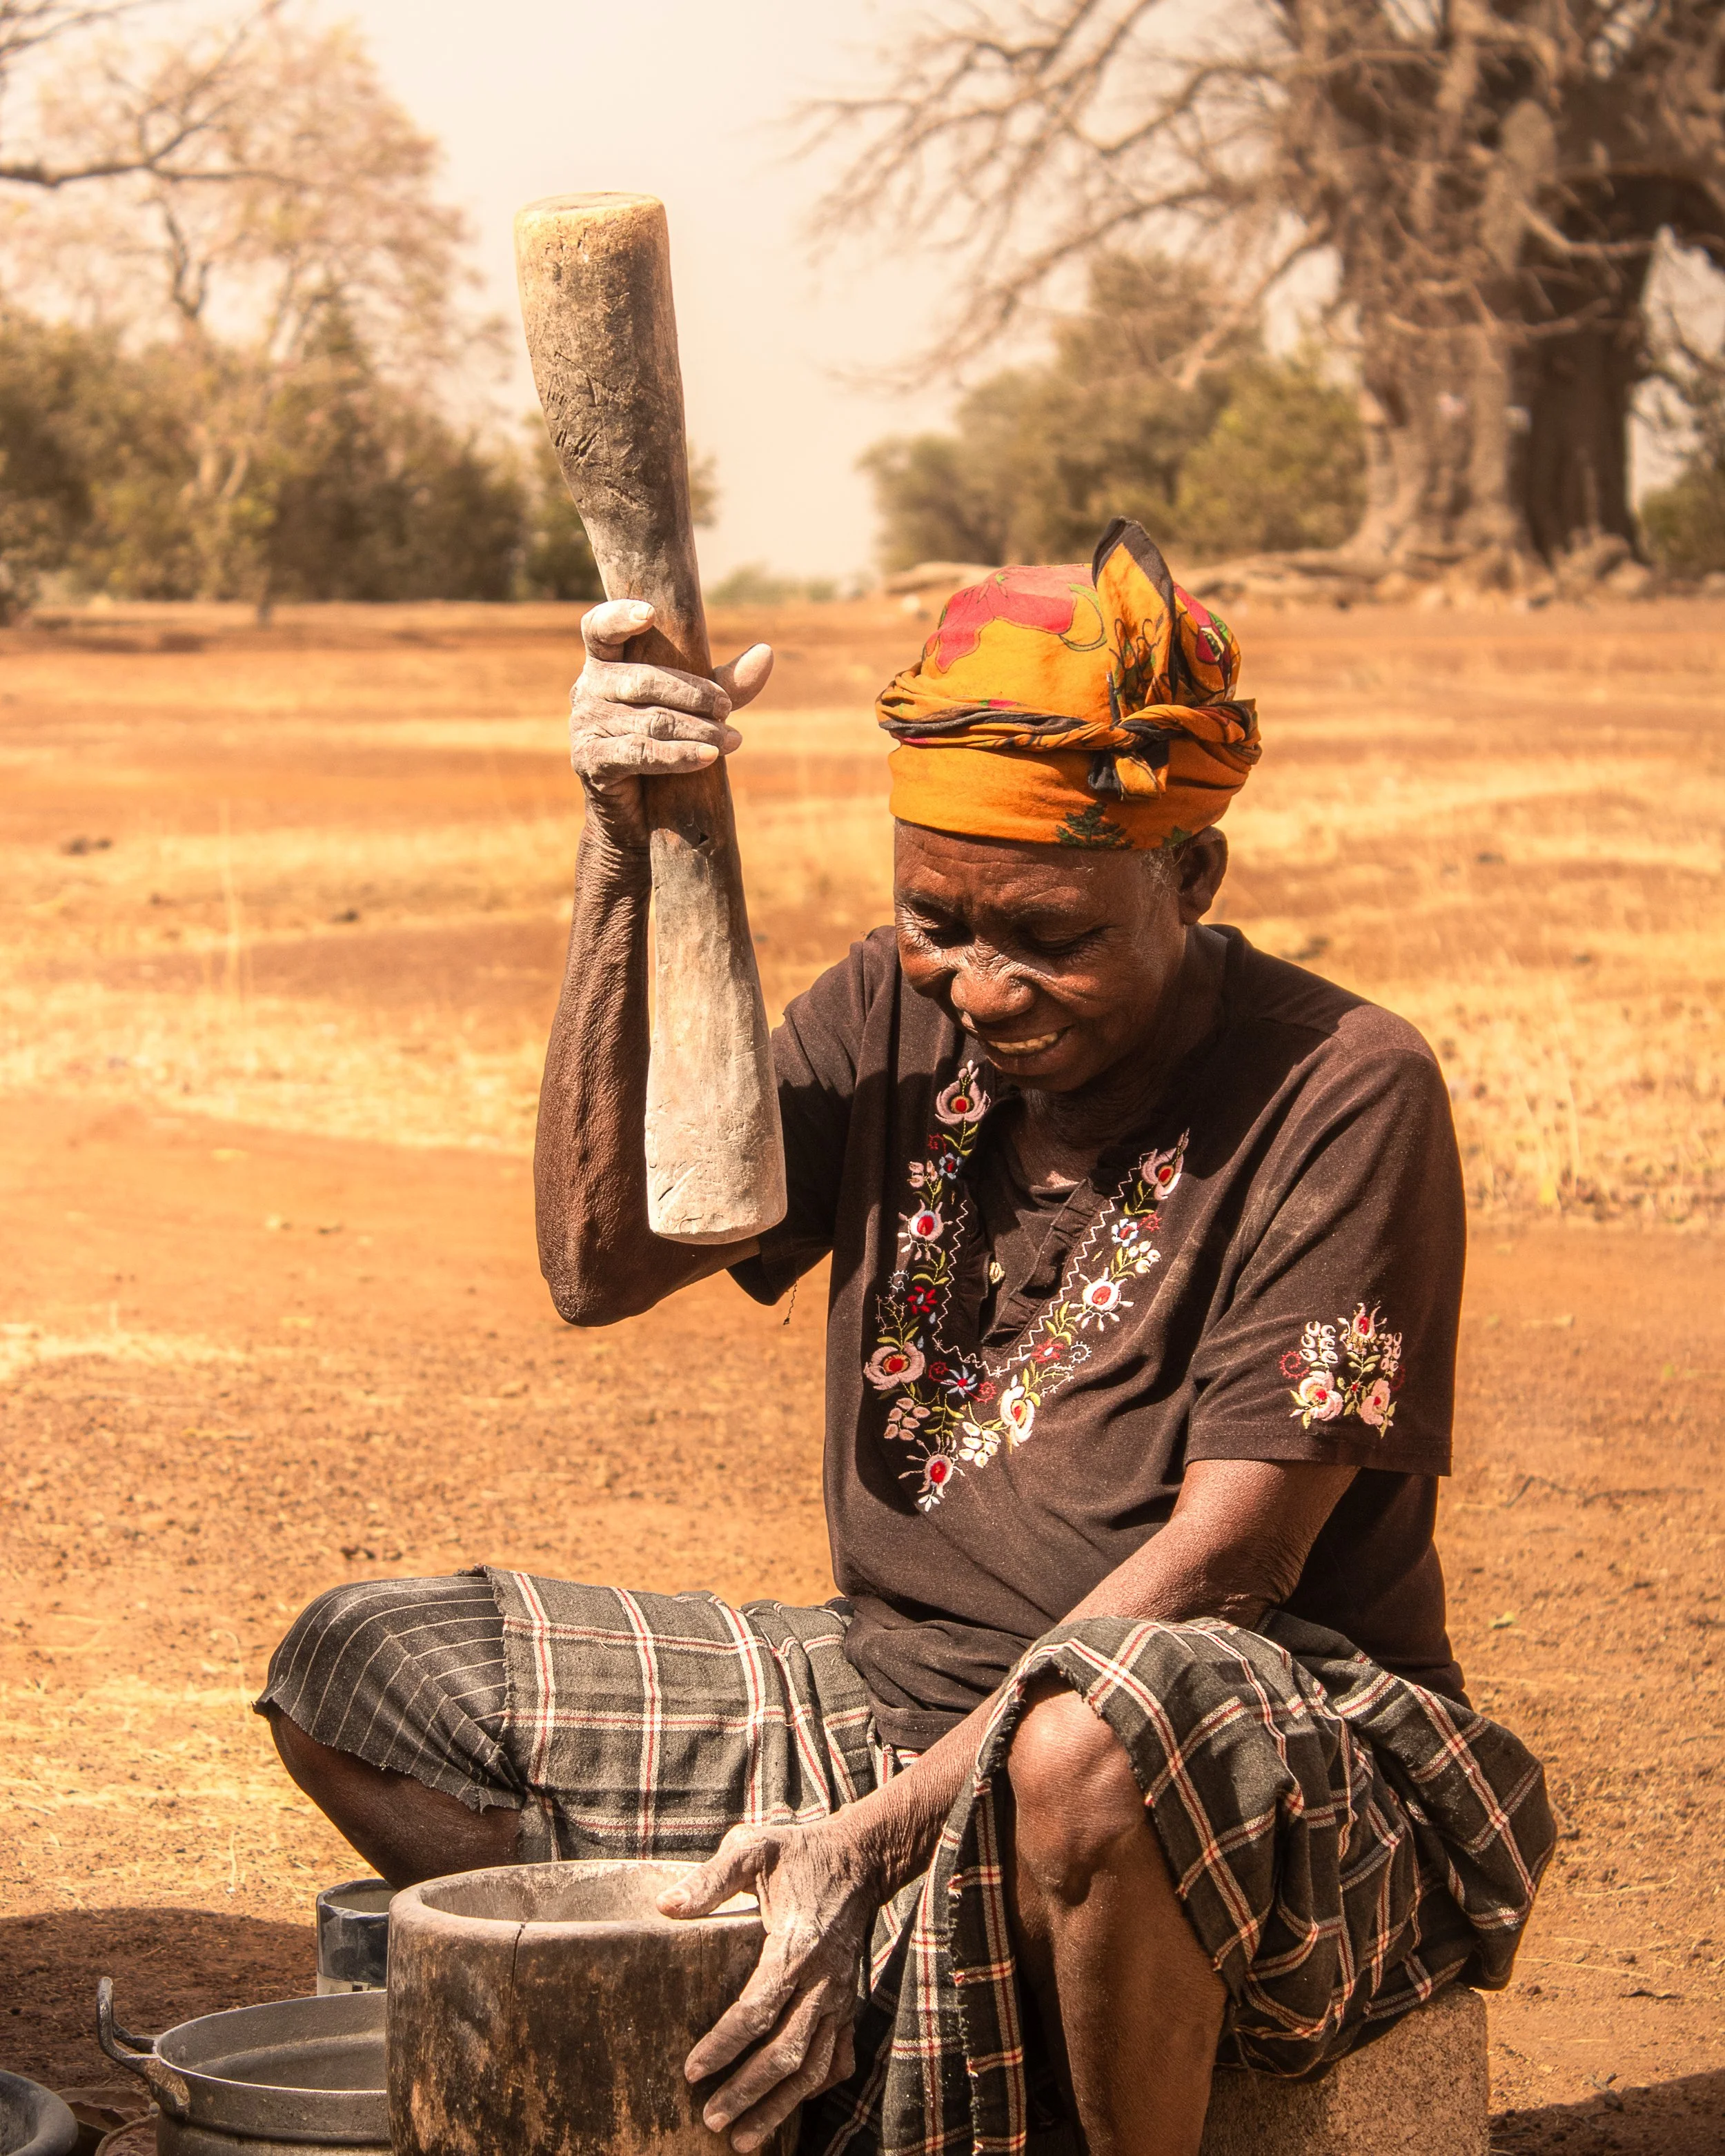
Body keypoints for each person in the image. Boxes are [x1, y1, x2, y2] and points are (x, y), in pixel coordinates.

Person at [259, 520, 1553, 2156]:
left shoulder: (1342, 1085)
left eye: (1050, 937)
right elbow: (599, 1263)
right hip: (878, 1703)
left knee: (1089, 1740)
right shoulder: (890, 999)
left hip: (1254, 1757)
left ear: (1190, 876)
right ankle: (841, 2025)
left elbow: (1229, 1563)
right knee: (365, 1668)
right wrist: (620, 841)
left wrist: (863, 1844)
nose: (981, 984)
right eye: (937, 917)